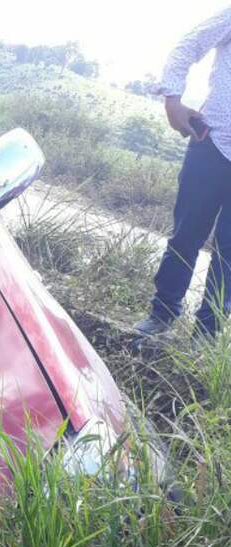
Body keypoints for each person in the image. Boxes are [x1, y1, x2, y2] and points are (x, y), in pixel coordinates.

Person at [135, 7, 231, 338]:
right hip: (213, 143)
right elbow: (188, 45)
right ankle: (162, 314)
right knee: (186, 235)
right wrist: (172, 100)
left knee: (230, 254)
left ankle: (206, 335)